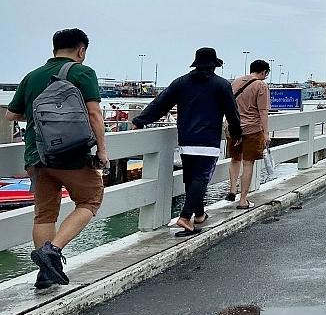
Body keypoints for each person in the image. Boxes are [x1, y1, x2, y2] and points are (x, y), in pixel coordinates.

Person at [5, 28, 108, 289]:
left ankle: (45, 274)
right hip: (71, 155)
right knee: (90, 199)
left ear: (54, 49)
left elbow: (11, 115)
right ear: (81, 50)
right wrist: (102, 151)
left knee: (44, 215)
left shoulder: (32, 76)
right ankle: (52, 251)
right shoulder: (83, 72)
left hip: (36, 156)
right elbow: (95, 114)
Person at [132, 48, 242, 237]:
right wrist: (237, 132)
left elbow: (160, 104)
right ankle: (185, 217)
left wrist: (139, 120)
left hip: (186, 139)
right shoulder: (221, 85)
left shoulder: (180, 83)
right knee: (201, 179)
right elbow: (231, 112)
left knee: (190, 179)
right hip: (208, 140)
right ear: (214, 65)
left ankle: (199, 214)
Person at [226, 59, 271, 209]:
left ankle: (232, 190)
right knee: (248, 163)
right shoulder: (261, 85)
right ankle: (243, 199)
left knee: (235, 159)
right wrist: (265, 133)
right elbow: (263, 111)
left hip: (233, 128)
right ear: (263, 72)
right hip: (252, 129)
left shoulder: (236, 82)